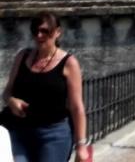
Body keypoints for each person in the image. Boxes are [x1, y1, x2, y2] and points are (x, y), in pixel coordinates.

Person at [1, 12, 88, 162]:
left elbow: (76, 107)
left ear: (58, 32)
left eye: (45, 31)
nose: (39, 35)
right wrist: (11, 101)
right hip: (19, 132)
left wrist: (81, 145)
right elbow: (7, 91)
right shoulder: (22, 57)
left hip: (53, 134)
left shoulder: (69, 63)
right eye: (35, 30)